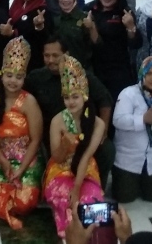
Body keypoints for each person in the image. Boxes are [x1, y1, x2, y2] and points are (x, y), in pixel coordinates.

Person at [26, 39, 115, 188]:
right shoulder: (36, 78)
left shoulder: (80, 75)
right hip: (51, 134)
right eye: (47, 56)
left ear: (66, 54)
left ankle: (97, 186)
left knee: (106, 149)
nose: (50, 60)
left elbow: (104, 100)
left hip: (84, 130)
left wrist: (103, 131)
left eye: (55, 55)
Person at [0, 37, 45, 229]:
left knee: (24, 202)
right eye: (9, 75)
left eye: (18, 77)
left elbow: (35, 140)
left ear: (24, 78)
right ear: (2, 75)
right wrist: (2, 161)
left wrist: (21, 168)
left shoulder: (29, 101)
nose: (13, 81)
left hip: (26, 158)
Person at [43, 55, 106, 238]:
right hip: (61, 170)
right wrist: (65, 145)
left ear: (84, 95)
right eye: (67, 97)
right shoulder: (57, 121)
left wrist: (77, 188)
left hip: (86, 170)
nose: (71, 102)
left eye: (75, 97)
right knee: (65, 200)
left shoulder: (97, 124)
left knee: (91, 203)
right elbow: (56, 158)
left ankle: (90, 236)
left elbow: (85, 156)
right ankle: (69, 236)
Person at [112, 56, 152, 203]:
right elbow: (118, 120)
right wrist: (142, 119)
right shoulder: (128, 93)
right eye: (149, 73)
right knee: (125, 198)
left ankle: (146, 182)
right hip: (128, 159)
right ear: (142, 74)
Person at [84, 0, 142, 100]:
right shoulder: (88, 9)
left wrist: (131, 27)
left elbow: (136, 44)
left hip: (118, 71)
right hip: (93, 69)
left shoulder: (125, 13)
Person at [3, 0, 52, 71]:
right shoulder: (17, 6)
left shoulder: (42, 12)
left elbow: (44, 39)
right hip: (13, 59)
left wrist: (39, 27)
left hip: (32, 64)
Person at [54, 0, 92, 71]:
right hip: (60, 69)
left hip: (81, 69)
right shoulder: (56, 20)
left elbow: (96, 45)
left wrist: (91, 28)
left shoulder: (85, 18)